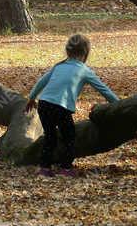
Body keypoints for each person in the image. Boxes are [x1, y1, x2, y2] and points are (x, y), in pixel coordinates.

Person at [25, 33, 119, 176]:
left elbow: (41, 82)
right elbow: (103, 89)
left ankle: (44, 167)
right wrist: (119, 104)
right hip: (61, 107)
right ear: (85, 53)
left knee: (50, 136)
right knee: (69, 137)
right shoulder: (84, 70)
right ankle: (66, 167)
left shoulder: (58, 66)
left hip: (44, 104)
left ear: (68, 51)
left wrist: (31, 98)